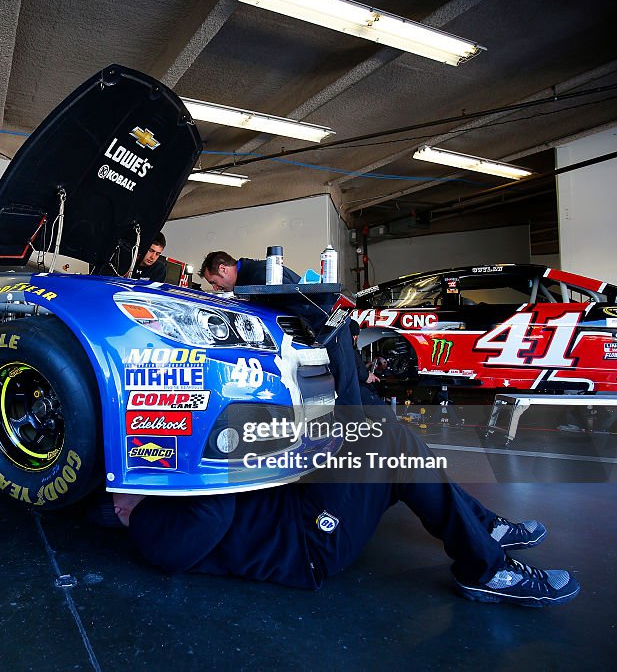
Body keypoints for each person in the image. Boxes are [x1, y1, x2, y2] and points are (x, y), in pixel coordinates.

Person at [105, 421, 579, 607]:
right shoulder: (147, 530)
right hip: (305, 547)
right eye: (116, 494)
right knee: (391, 445)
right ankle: (486, 569)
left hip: (297, 505)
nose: (121, 494)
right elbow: (211, 514)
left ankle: (481, 527)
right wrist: (196, 454)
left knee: (383, 436)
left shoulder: (160, 498)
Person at [200, 250, 362, 409]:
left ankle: (353, 432)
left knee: (345, 388)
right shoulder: (254, 273)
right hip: (318, 331)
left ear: (223, 269)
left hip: (329, 327)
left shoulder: (257, 275)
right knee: (337, 387)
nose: (215, 288)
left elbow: (295, 304)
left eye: (213, 282)